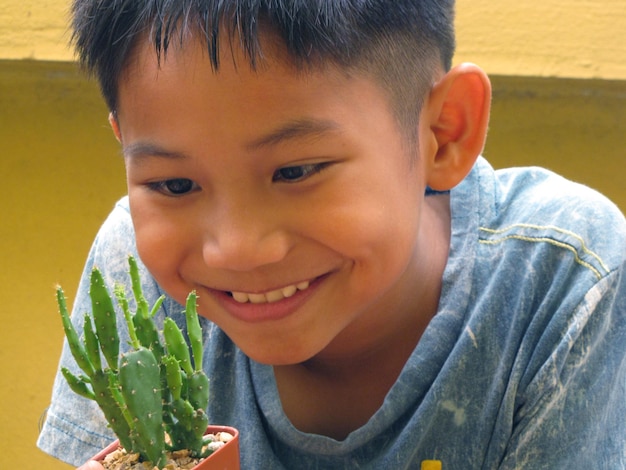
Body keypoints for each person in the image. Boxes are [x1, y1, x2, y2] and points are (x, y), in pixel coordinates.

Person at [37, 0, 626, 468]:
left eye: (294, 171)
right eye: (173, 185)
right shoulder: (132, 276)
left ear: (443, 133)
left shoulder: (564, 282)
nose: (237, 248)